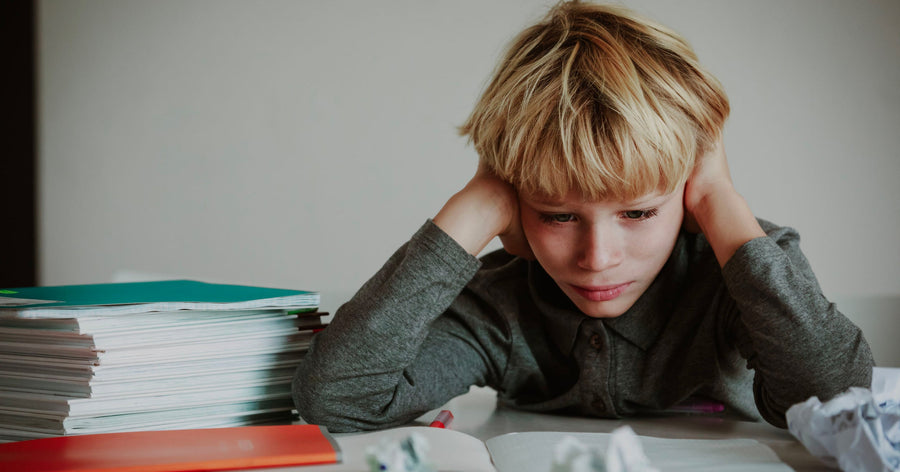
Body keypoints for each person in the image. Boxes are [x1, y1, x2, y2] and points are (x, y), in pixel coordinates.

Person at [293, 1, 873, 432]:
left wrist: (722, 202)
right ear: (516, 209)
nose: (598, 259)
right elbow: (337, 399)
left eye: (640, 211)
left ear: (689, 192)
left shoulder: (739, 274)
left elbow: (841, 400)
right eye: (558, 216)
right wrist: (475, 209)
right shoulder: (498, 308)